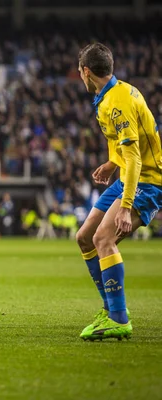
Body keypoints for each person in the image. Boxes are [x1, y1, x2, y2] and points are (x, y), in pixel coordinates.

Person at [74, 43, 162, 341]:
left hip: (147, 180)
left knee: (103, 238)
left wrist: (126, 206)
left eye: (80, 72)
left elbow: (136, 156)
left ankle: (118, 318)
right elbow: (132, 141)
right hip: (126, 174)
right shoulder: (111, 93)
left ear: (86, 71)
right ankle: (109, 307)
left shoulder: (118, 101)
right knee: (85, 237)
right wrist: (113, 163)